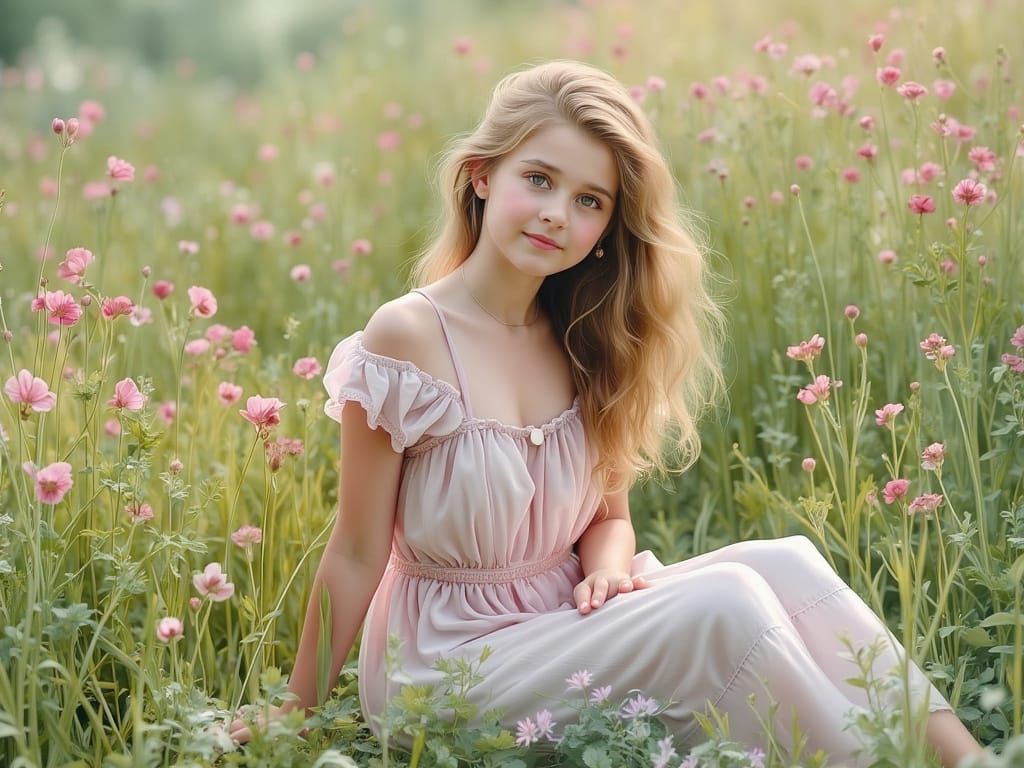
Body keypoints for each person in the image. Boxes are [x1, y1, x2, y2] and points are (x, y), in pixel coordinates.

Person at [229, 59, 984, 767]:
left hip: (564, 618)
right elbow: (357, 550)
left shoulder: (585, 338)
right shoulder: (409, 337)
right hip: (446, 663)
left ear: (606, 229)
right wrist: (296, 712)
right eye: (539, 179)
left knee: (783, 559)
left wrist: (607, 573)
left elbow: (608, 519)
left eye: (588, 200)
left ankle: (973, 760)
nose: (559, 213)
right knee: (724, 605)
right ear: (481, 176)